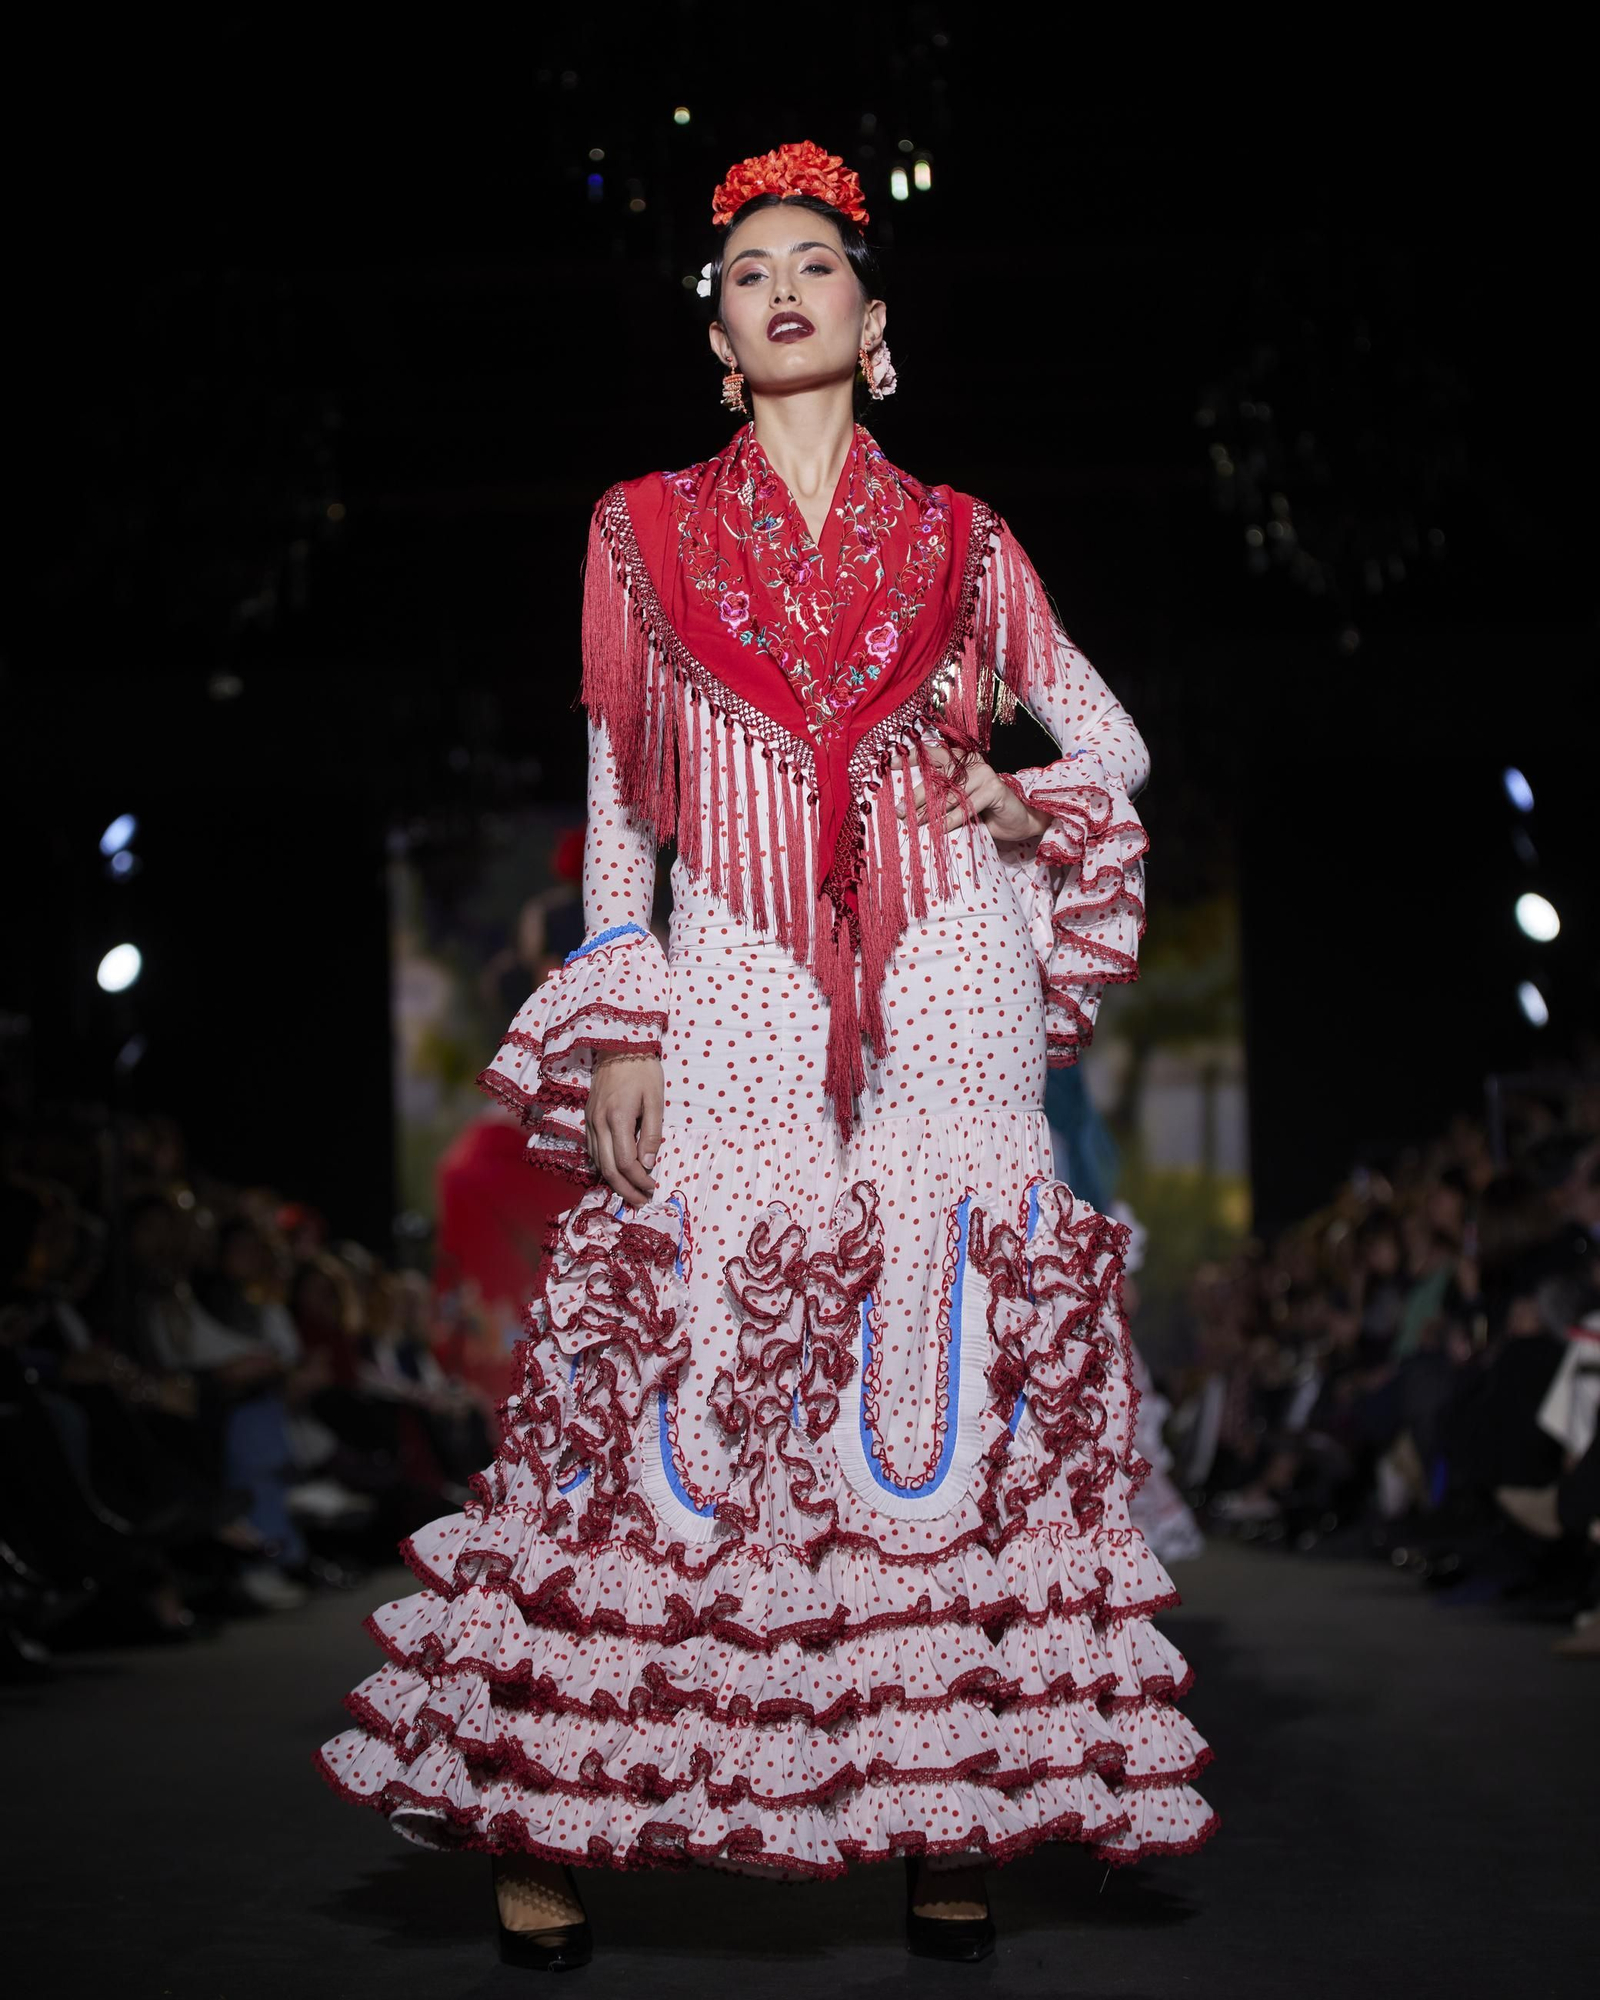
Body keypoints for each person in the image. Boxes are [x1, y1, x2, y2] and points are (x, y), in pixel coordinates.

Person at [318, 140, 1216, 1968]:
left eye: (820, 263)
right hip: (728, 949)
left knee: (938, 1336)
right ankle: (558, 1796)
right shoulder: (639, 527)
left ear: (874, 324)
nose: (785, 286)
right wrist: (625, 1007)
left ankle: (932, 1804)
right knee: (687, 1316)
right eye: (749, 272)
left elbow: (1113, 740)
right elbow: (613, 805)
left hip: (951, 939)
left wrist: (1023, 800)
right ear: (722, 336)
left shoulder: (967, 539)